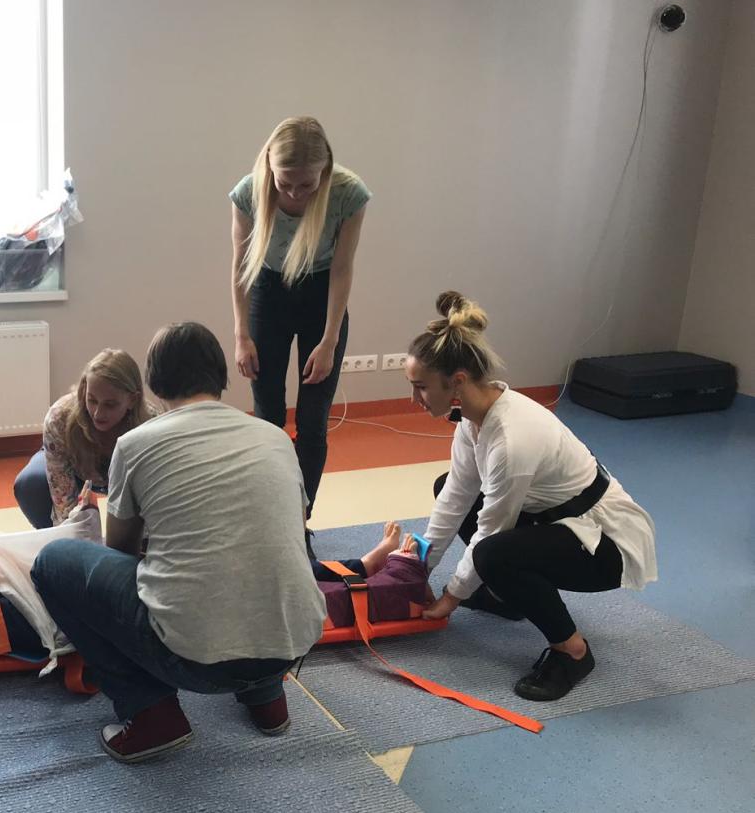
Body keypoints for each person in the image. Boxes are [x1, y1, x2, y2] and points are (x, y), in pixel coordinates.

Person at [31, 322, 327, 764]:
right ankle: (266, 698)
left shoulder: (136, 444)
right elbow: (290, 534)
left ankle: (150, 712)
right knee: (250, 556)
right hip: (293, 646)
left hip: (195, 661)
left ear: (150, 384)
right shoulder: (275, 437)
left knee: (53, 561)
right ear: (221, 376)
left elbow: (121, 554)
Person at [407, 292, 658, 702]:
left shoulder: (512, 439)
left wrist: (451, 596)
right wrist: (415, 571)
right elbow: (454, 497)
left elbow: (492, 528)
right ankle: (506, 597)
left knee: (493, 553)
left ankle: (572, 652)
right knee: (447, 487)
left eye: (421, 387)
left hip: (606, 545)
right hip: (556, 521)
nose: (414, 399)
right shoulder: (472, 419)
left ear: (458, 381)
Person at [230, 116, 371, 518]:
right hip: (268, 291)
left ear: (324, 171)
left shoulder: (348, 194)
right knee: (268, 417)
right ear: (269, 168)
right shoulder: (248, 192)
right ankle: (269, 514)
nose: (295, 193)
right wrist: (242, 335)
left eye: (307, 184)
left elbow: (342, 269)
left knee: (312, 421)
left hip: (322, 295)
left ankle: (298, 518)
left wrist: (329, 342)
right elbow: (240, 267)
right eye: (285, 183)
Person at [13, 349, 154, 528]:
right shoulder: (59, 417)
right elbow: (63, 502)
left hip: (124, 480)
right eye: (92, 400)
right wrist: (71, 537)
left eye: (110, 405)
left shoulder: (151, 425)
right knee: (31, 483)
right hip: (72, 467)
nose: (98, 413)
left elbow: (152, 498)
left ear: (132, 400)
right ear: (84, 390)